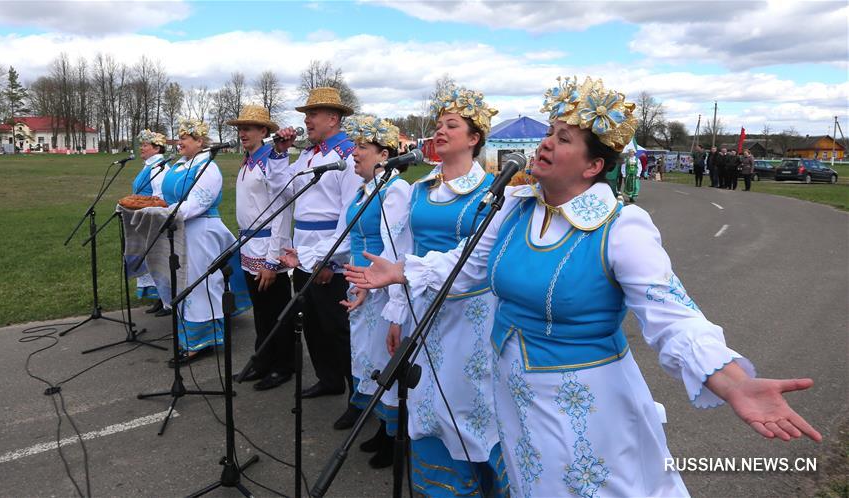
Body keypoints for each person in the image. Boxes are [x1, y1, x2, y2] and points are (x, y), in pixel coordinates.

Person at [347, 76, 821, 498]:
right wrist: (402, 271)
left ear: (593, 167)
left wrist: (732, 381)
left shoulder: (622, 227)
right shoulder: (514, 209)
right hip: (513, 396)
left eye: (564, 138)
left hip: (587, 407)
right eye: (550, 132)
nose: (547, 143)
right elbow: (465, 265)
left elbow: (673, 316)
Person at [375, 84, 507, 496]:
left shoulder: (492, 193)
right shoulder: (420, 189)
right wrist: (398, 314)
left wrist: (405, 275)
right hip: (421, 306)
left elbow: (476, 262)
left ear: (474, 138)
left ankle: (482, 485)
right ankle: (441, 487)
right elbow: (403, 252)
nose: (440, 131)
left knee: (467, 403)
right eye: (438, 125)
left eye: (452, 125)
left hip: (469, 317)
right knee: (426, 400)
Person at [281, 115, 412, 467]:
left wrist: (374, 286)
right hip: (361, 286)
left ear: (384, 154)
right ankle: (382, 425)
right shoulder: (361, 191)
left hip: (382, 289)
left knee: (385, 357)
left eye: (362, 148)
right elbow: (343, 240)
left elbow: (397, 250)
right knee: (367, 356)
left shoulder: (395, 191)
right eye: (355, 147)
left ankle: (395, 435)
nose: (354, 154)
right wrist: (306, 256)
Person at [268, 87, 364, 428]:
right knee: (312, 322)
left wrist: (328, 261)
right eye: (306, 114)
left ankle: (359, 396)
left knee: (340, 329)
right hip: (304, 253)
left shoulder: (349, 156)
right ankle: (329, 378)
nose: (306, 120)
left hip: (329, 256)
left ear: (333, 118)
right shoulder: (309, 156)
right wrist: (279, 154)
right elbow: (286, 189)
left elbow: (349, 215)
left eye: (313, 114)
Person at [162, 118, 252, 367]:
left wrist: (165, 214)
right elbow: (165, 195)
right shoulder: (180, 166)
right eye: (178, 137)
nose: (179, 142)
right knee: (184, 282)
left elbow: (199, 202)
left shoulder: (208, 167)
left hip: (201, 230)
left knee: (200, 284)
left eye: (184, 138)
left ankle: (202, 340)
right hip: (181, 229)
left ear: (200, 141)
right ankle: (189, 334)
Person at [227, 105, 295, 391]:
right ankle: (263, 359)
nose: (242, 133)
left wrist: (271, 260)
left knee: (276, 309)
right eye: (240, 128)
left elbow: (281, 211)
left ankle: (284, 366)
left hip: (269, 245)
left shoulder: (272, 161)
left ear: (264, 132)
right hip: (249, 244)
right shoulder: (249, 160)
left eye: (249, 128)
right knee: (260, 311)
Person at [132, 129, 171, 316]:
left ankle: (168, 300)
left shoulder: (159, 167)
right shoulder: (149, 165)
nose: (142, 148)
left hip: (153, 217)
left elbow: (160, 196)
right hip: (144, 216)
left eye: (145, 145)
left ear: (156, 148)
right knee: (150, 259)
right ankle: (160, 298)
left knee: (158, 258)